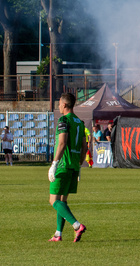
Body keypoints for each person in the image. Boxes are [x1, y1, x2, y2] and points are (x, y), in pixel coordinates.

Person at [48, 92, 87, 242]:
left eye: (59, 104)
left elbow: (62, 143)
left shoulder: (64, 120)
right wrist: (80, 165)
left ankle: (77, 225)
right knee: (62, 201)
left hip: (63, 165)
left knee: (54, 201)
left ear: (64, 104)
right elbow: (84, 147)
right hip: (74, 166)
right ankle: (58, 233)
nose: (58, 106)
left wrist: (54, 164)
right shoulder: (79, 122)